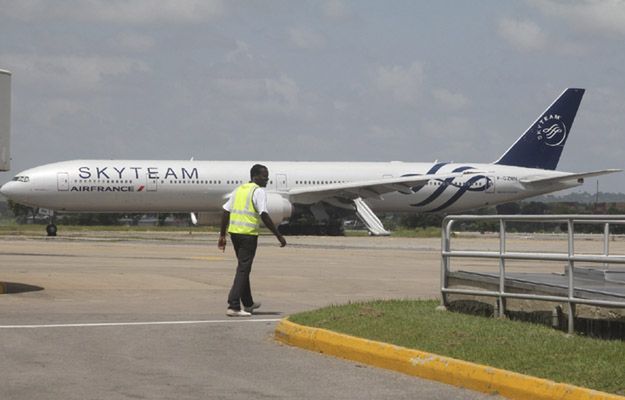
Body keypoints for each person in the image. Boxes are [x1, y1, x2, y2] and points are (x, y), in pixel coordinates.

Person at [218, 164, 287, 317]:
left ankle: (248, 303)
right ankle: (233, 305)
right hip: (248, 235)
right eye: (264, 176)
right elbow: (264, 215)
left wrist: (222, 235)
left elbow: (225, 211)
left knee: (244, 267)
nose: (267, 179)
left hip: (235, 233)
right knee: (243, 269)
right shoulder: (258, 191)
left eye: (267, 175)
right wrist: (278, 235)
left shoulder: (239, 190)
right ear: (255, 176)